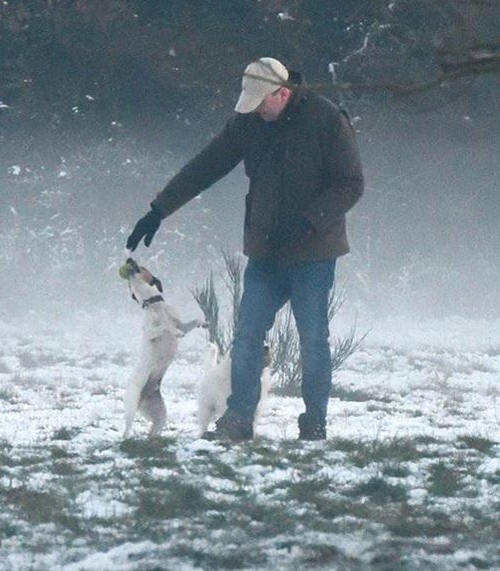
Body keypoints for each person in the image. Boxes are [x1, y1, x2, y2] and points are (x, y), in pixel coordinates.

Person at [126, 57, 364, 442]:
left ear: (282, 93)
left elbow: (351, 183)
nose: (253, 110)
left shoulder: (325, 119)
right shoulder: (250, 122)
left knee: (313, 338)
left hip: (314, 254)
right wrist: (158, 209)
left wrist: (308, 221)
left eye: (259, 103)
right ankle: (238, 420)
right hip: (266, 253)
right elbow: (207, 164)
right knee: (247, 334)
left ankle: (314, 422)